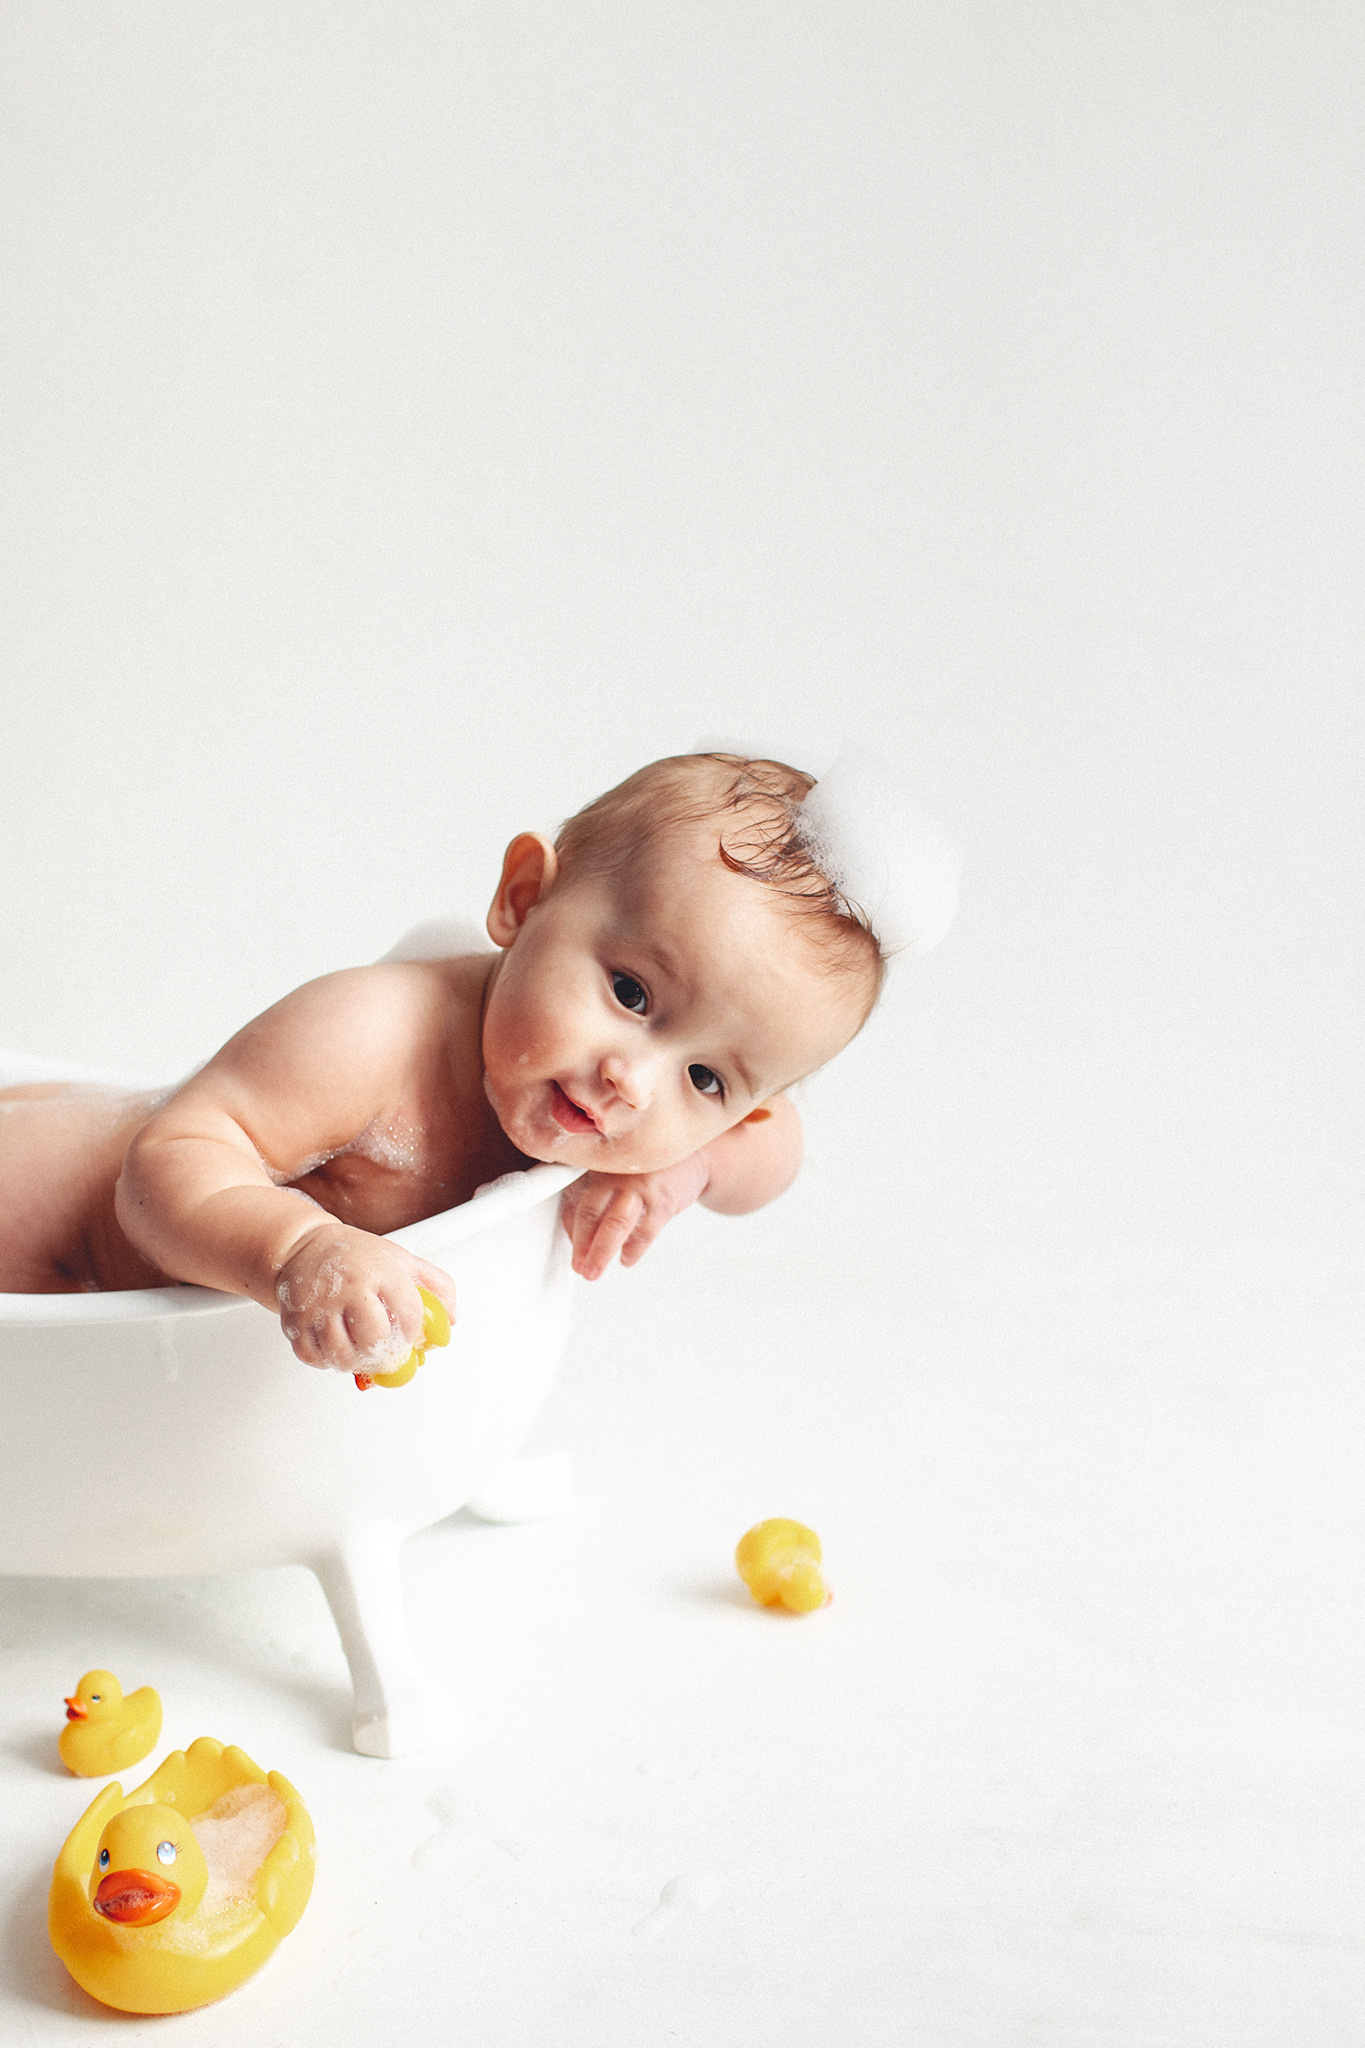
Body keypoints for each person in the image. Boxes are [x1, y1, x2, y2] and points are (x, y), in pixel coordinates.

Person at [0, 751, 958, 1375]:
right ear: (523, 898)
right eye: (629, 994)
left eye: (706, 1079)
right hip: (43, 1229)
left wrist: (689, 1168)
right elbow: (168, 1161)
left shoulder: (650, 1107)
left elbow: (771, 1146)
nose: (634, 1077)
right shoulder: (370, 1034)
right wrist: (297, 1250)